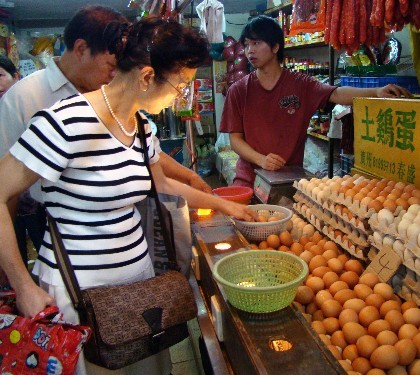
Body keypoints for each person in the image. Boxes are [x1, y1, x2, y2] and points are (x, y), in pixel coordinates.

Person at [0, 16, 257, 375]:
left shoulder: (137, 125)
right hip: (81, 294)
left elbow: (163, 184)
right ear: (147, 76)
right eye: (181, 85)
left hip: (137, 287)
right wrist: (23, 286)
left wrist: (225, 204)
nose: (181, 95)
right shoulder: (66, 122)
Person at [0, 5, 211, 267]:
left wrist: (200, 185)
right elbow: (5, 191)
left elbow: (152, 166)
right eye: (112, 65)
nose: (114, 75)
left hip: (130, 264)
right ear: (80, 49)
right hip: (58, 240)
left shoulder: (135, 120)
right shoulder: (49, 112)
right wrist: (18, 278)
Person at [220, 15, 412, 188]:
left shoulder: (300, 84)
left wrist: (377, 91)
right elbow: (235, 140)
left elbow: (336, 93)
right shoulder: (239, 90)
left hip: (288, 180)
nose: (249, 51)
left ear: (276, 47)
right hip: (248, 178)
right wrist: (261, 160)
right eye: (246, 45)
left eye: (256, 43)